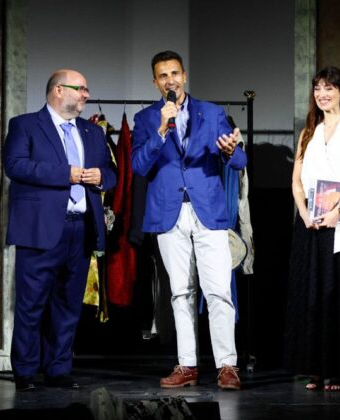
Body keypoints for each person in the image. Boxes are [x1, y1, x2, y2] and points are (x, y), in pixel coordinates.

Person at [131, 50, 245, 390]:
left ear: (184, 76)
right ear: (155, 82)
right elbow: (138, 166)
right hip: (168, 213)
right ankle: (187, 365)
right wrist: (161, 131)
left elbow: (240, 160)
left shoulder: (212, 113)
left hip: (207, 209)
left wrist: (230, 151)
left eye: (175, 73)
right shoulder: (145, 118)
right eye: (163, 76)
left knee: (218, 291)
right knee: (180, 293)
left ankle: (227, 365)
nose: (170, 81)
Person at [4, 69, 116, 391]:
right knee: (31, 305)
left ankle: (59, 369)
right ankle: (26, 372)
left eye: (86, 89)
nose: (86, 95)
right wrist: (65, 174)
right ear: (57, 90)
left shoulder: (92, 132)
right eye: (80, 88)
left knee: (68, 306)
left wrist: (101, 177)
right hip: (40, 230)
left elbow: (111, 172)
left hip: (80, 230)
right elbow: (15, 165)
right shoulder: (25, 125)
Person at [284, 66, 340, 391]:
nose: (322, 94)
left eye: (329, 88)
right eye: (318, 88)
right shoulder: (308, 132)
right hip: (310, 221)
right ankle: (315, 368)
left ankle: (339, 370)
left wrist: (338, 211)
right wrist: (304, 212)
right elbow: (296, 181)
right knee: (311, 291)